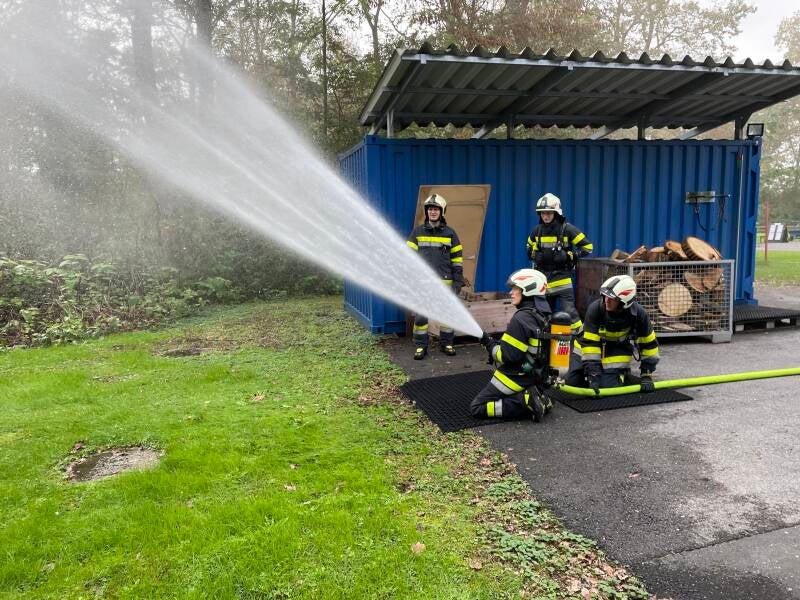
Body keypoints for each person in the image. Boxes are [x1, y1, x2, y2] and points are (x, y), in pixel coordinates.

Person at [470, 268, 554, 421]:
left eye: (515, 288)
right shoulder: (541, 314)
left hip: (516, 375)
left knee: (477, 407)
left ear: (528, 289)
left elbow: (508, 357)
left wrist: (489, 343)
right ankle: (540, 399)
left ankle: (526, 403)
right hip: (536, 375)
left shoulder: (521, 319)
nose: (511, 293)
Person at [565, 274, 659, 392]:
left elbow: (649, 345)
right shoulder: (595, 309)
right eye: (605, 296)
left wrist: (646, 374)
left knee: (607, 388)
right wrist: (593, 376)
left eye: (612, 298)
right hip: (586, 347)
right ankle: (596, 376)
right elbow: (590, 346)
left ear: (624, 302)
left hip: (616, 349)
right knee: (571, 382)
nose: (606, 301)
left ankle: (622, 376)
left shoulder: (639, 314)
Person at [406, 193, 465, 359]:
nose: (433, 212)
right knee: (420, 317)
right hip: (422, 284)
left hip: (446, 283)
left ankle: (446, 344)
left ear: (442, 212)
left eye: (436, 209)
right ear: (426, 212)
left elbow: (457, 261)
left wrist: (458, 282)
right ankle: (420, 346)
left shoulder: (450, 234)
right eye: (430, 209)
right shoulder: (417, 233)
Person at [526, 193, 593, 334]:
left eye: (549, 213)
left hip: (562, 279)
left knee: (570, 313)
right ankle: (548, 341)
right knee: (544, 315)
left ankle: (581, 338)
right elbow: (529, 248)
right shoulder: (537, 231)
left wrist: (570, 256)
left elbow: (588, 247)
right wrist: (534, 254)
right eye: (543, 213)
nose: (546, 216)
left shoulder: (567, 229)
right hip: (543, 281)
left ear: (556, 213)